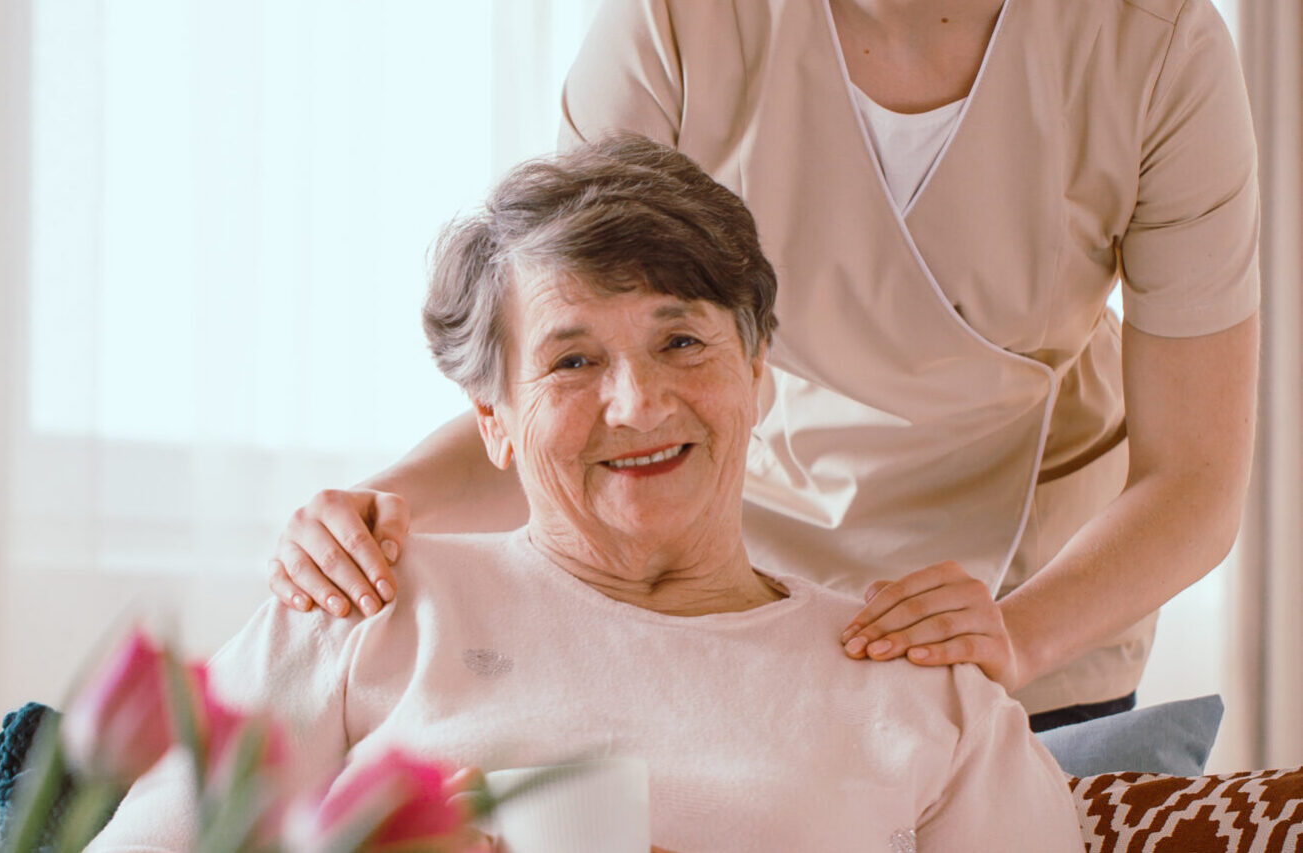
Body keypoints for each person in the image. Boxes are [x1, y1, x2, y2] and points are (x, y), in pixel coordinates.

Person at [265, 0, 1260, 729]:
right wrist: (371, 508)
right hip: (728, 612)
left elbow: (1193, 476)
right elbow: (570, 381)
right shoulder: (674, 24)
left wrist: (1015, 636)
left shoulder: (1154, 45)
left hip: (1031, 619)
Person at [90, 137, 1084, 852]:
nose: (636, 402)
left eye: (680, 341)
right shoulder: (361, 608)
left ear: (755, 370)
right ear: (492, 418)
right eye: (571, 360)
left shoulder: (919, 686)